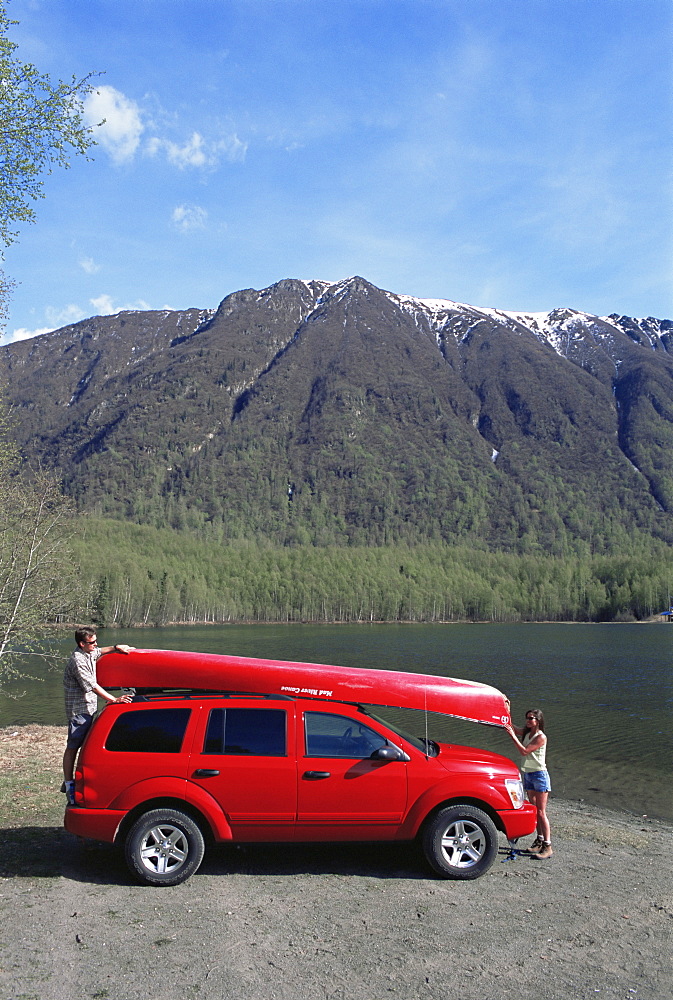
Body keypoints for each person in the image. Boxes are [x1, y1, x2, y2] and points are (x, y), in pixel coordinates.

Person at [62, 627, 135, 804]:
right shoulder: (77, 661)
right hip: (79, 710)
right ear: (82, 644)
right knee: (74, 746)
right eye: (92, 642)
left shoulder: (89, 652)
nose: (96, 645)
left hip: (90, 708)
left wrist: (117, 647)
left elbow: (101, 651)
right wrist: (113, 699)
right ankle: (69, 783)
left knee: (87, 746)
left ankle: (81, 780)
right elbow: (92, 685)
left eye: (95, 641)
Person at [504, 708, 552, 859]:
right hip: (529, 774)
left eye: (531, 718)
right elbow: (513, 727)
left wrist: (512, 736)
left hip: (539, 775)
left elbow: (524, 751)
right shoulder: (527, 731)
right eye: (527, 718)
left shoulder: (540, 737)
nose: (528, 721)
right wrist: (505, 711)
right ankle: (539, 840)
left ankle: (548, 846)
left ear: (538, 720)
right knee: (534, 809)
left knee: (541, 812)